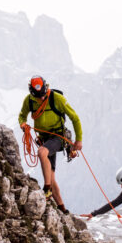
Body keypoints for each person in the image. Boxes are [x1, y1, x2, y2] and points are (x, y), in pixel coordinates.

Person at [18, 75, 82, 214]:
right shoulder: (29, 100)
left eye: (42, 96)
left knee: (42, 152)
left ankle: (46, 190)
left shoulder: (57, 98)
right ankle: (62, 209)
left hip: (58, 136)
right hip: (44, 139)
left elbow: (75, 118)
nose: (41, 99)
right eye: (38, 97)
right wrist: (23, 123)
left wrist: (78, 140)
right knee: (51, 176)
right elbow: (22, 115)